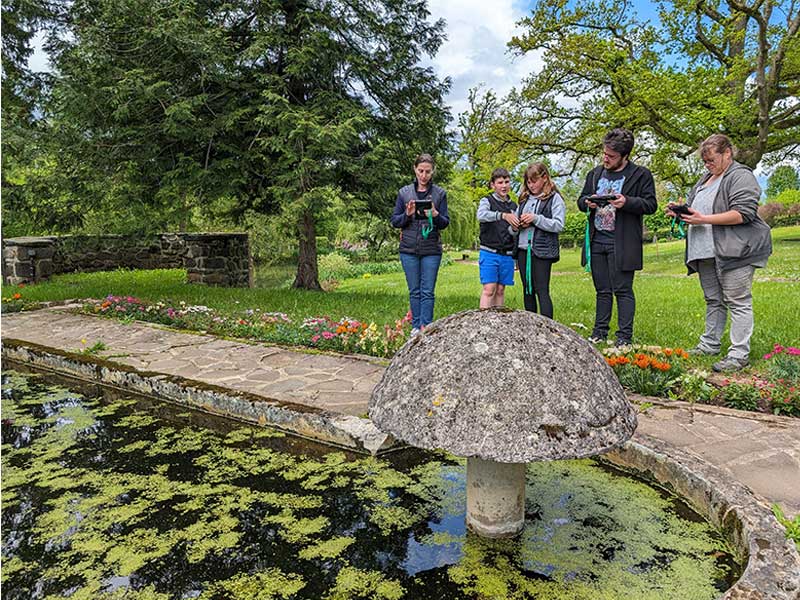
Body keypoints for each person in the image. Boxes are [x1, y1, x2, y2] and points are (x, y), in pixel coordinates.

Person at [667, 134, 772, 372]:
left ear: (727, 153)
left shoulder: (740, 176)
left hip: (734, 251)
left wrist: (703, 218)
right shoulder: (706, 178)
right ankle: (709, 344)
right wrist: (681, 212)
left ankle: (738, 354)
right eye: (704, 161)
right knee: (713, 300)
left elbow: (743, 213)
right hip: (705, 250)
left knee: (738, 301)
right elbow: (698, 210)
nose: (707, 164)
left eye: (711, 159)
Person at [578, 128, 657, 346]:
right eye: (604, 154)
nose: (606, 159)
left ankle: (624, 337)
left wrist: (627, 202)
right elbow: (581, 199)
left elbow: (650, 205)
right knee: (601, 290)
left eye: (611, 157)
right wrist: (588, 202)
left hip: (622, 241)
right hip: (596, 240)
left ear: (625, 156)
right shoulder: (594, 174)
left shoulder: (641, 175)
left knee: (622, 290)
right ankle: (599, 332)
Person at [391, 154, 450, 336]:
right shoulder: (404, 193)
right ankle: (416, 326)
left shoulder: (440, 194)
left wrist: (435, 214)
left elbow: (445, 222)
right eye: (420, 171)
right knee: (414, 290)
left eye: (427, 171)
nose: (424, 175)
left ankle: (427, 325)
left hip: (431, 249)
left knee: (427, 291)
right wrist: (407, 214)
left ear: (433, 172)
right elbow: (395, 221)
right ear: (415, 170)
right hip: (408, 249)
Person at [514, 162, 566, 318]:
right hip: (523, 250)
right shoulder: (523, 200)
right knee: (527, 289)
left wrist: (536, 219)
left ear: (544, 178)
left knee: (541, 289)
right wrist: (516, 225)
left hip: (542, 251)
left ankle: (547, 327)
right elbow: (513, 228)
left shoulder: (554, 198)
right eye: (528, 182)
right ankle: (531, 327)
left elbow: (558, 225)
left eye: (534, 181)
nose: (531, 185)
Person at [477, 168, 518, 308]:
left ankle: (498, 324)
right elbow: (481, 215)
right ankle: (484, 322)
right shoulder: (486, 201)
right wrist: (503, 215)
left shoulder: (514, 206)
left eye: (507, 182)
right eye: (500, 182)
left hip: (507, 254)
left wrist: (515, 228)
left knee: (500, 290)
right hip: (489, 252)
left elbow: (513, 233)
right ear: (492, 185)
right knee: (489, 289)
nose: (504, 185)